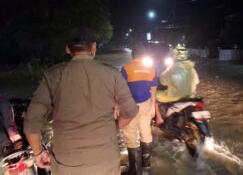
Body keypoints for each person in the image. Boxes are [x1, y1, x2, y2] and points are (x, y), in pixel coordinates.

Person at [24, 28, 139, 175]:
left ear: (67, 48)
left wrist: (38, 152)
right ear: (94, 47)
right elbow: (130, 110)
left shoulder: (53, 75)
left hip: (66, 163)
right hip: (105, 160)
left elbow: (32, 121)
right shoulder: (112, 74)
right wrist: (115, 127)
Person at [121, 46, 160, 174]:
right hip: (147, 104)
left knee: (131, 135)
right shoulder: (151, 68)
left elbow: (121, 90)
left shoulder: (126, 68)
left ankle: (134, 169)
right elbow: (153, 90)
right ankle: (146, 167)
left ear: (132, 56)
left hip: (130, 106)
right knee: (146, 132)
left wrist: (117, 107)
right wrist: (153, 108)